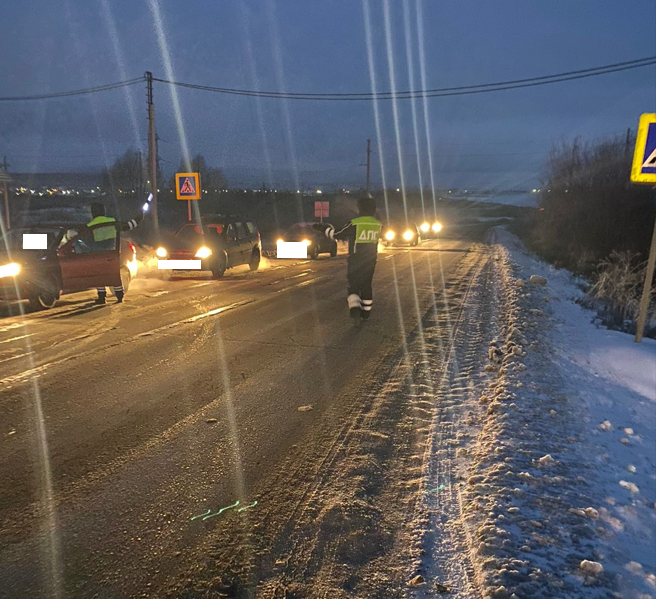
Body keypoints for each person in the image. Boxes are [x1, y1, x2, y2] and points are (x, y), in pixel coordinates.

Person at [318, 194, 382, 322]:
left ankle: (354, 310)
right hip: (371, 260)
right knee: (366, 286)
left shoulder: (355, 223)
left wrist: (324, 228)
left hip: (356, 259)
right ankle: (366, 313)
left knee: (353, 285)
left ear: (360, 209)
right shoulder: (378, 224)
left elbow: (336, 234)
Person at [87, 202, 143, 305]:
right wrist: (139, 217)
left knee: (100, 276)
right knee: (114, 274)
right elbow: (129, 225)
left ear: (92, 213)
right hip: (113, 253)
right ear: (104, 211)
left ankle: (102, 297)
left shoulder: (90, 226)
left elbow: (87, 242)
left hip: (98, 255)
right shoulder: (112, 222)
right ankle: (119, 295)